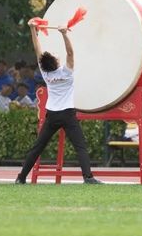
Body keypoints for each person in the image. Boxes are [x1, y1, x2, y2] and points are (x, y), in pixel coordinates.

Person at [15, 22, 102, 185]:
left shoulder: (45, 73)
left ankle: (21, 178)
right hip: (67, 114)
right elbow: (70, 52)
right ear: (55, 62)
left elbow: (37, 49)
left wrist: (32, 29)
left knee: (38, 148)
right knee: (80, 146)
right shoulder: (67, 72)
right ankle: (88, 177)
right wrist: (64, 34)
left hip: (52, 115)